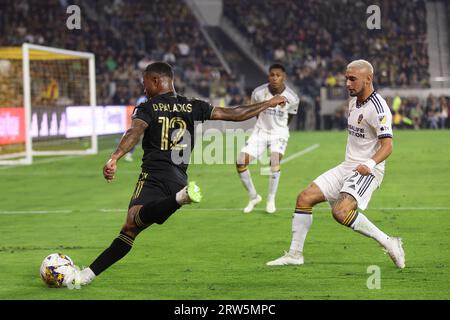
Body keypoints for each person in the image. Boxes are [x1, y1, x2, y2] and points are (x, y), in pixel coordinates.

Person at [66, 61, 288, 287]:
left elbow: (135, 131)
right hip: (179, 178)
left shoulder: (148, 107)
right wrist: (268, 103)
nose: (144, 89)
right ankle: (85, 277)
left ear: (155, 80)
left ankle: (179, 198)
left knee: (132, 222)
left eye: (145, 83)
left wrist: (114, 157)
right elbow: (234, 114)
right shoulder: (193, 105)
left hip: (153, 175)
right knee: (131, 227)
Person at [266, 60, 405, 269]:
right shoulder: (353, 100)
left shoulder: (379, 108)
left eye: (352, 79)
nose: (347, 83)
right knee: (304, 198)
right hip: (348, 166)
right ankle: (295, 254)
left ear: (368, 78)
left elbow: (388, 146)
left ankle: (388, 242)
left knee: (340, 213)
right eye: (346, 78)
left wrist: (369, 163)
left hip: (369, 170)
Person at [236, 63, 299, 214]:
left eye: (278, 75)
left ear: (284, 77)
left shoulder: (293, 97)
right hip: (260, 132)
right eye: (272, 75)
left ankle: (271, 199)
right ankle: (253, 196)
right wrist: (262, 126)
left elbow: (290, 117)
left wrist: (279, 128)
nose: (275, 78)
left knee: (274, 162)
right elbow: (255, 111)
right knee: (240, 162)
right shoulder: (258, 92)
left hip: (279, 133)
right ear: (268, 76)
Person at [124, 94, 148, 162]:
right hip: (142, 120)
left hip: (145, 120)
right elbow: (138, 108)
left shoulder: (146, 98)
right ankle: (128, 154)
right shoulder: (143, 99)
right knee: (136, 138)